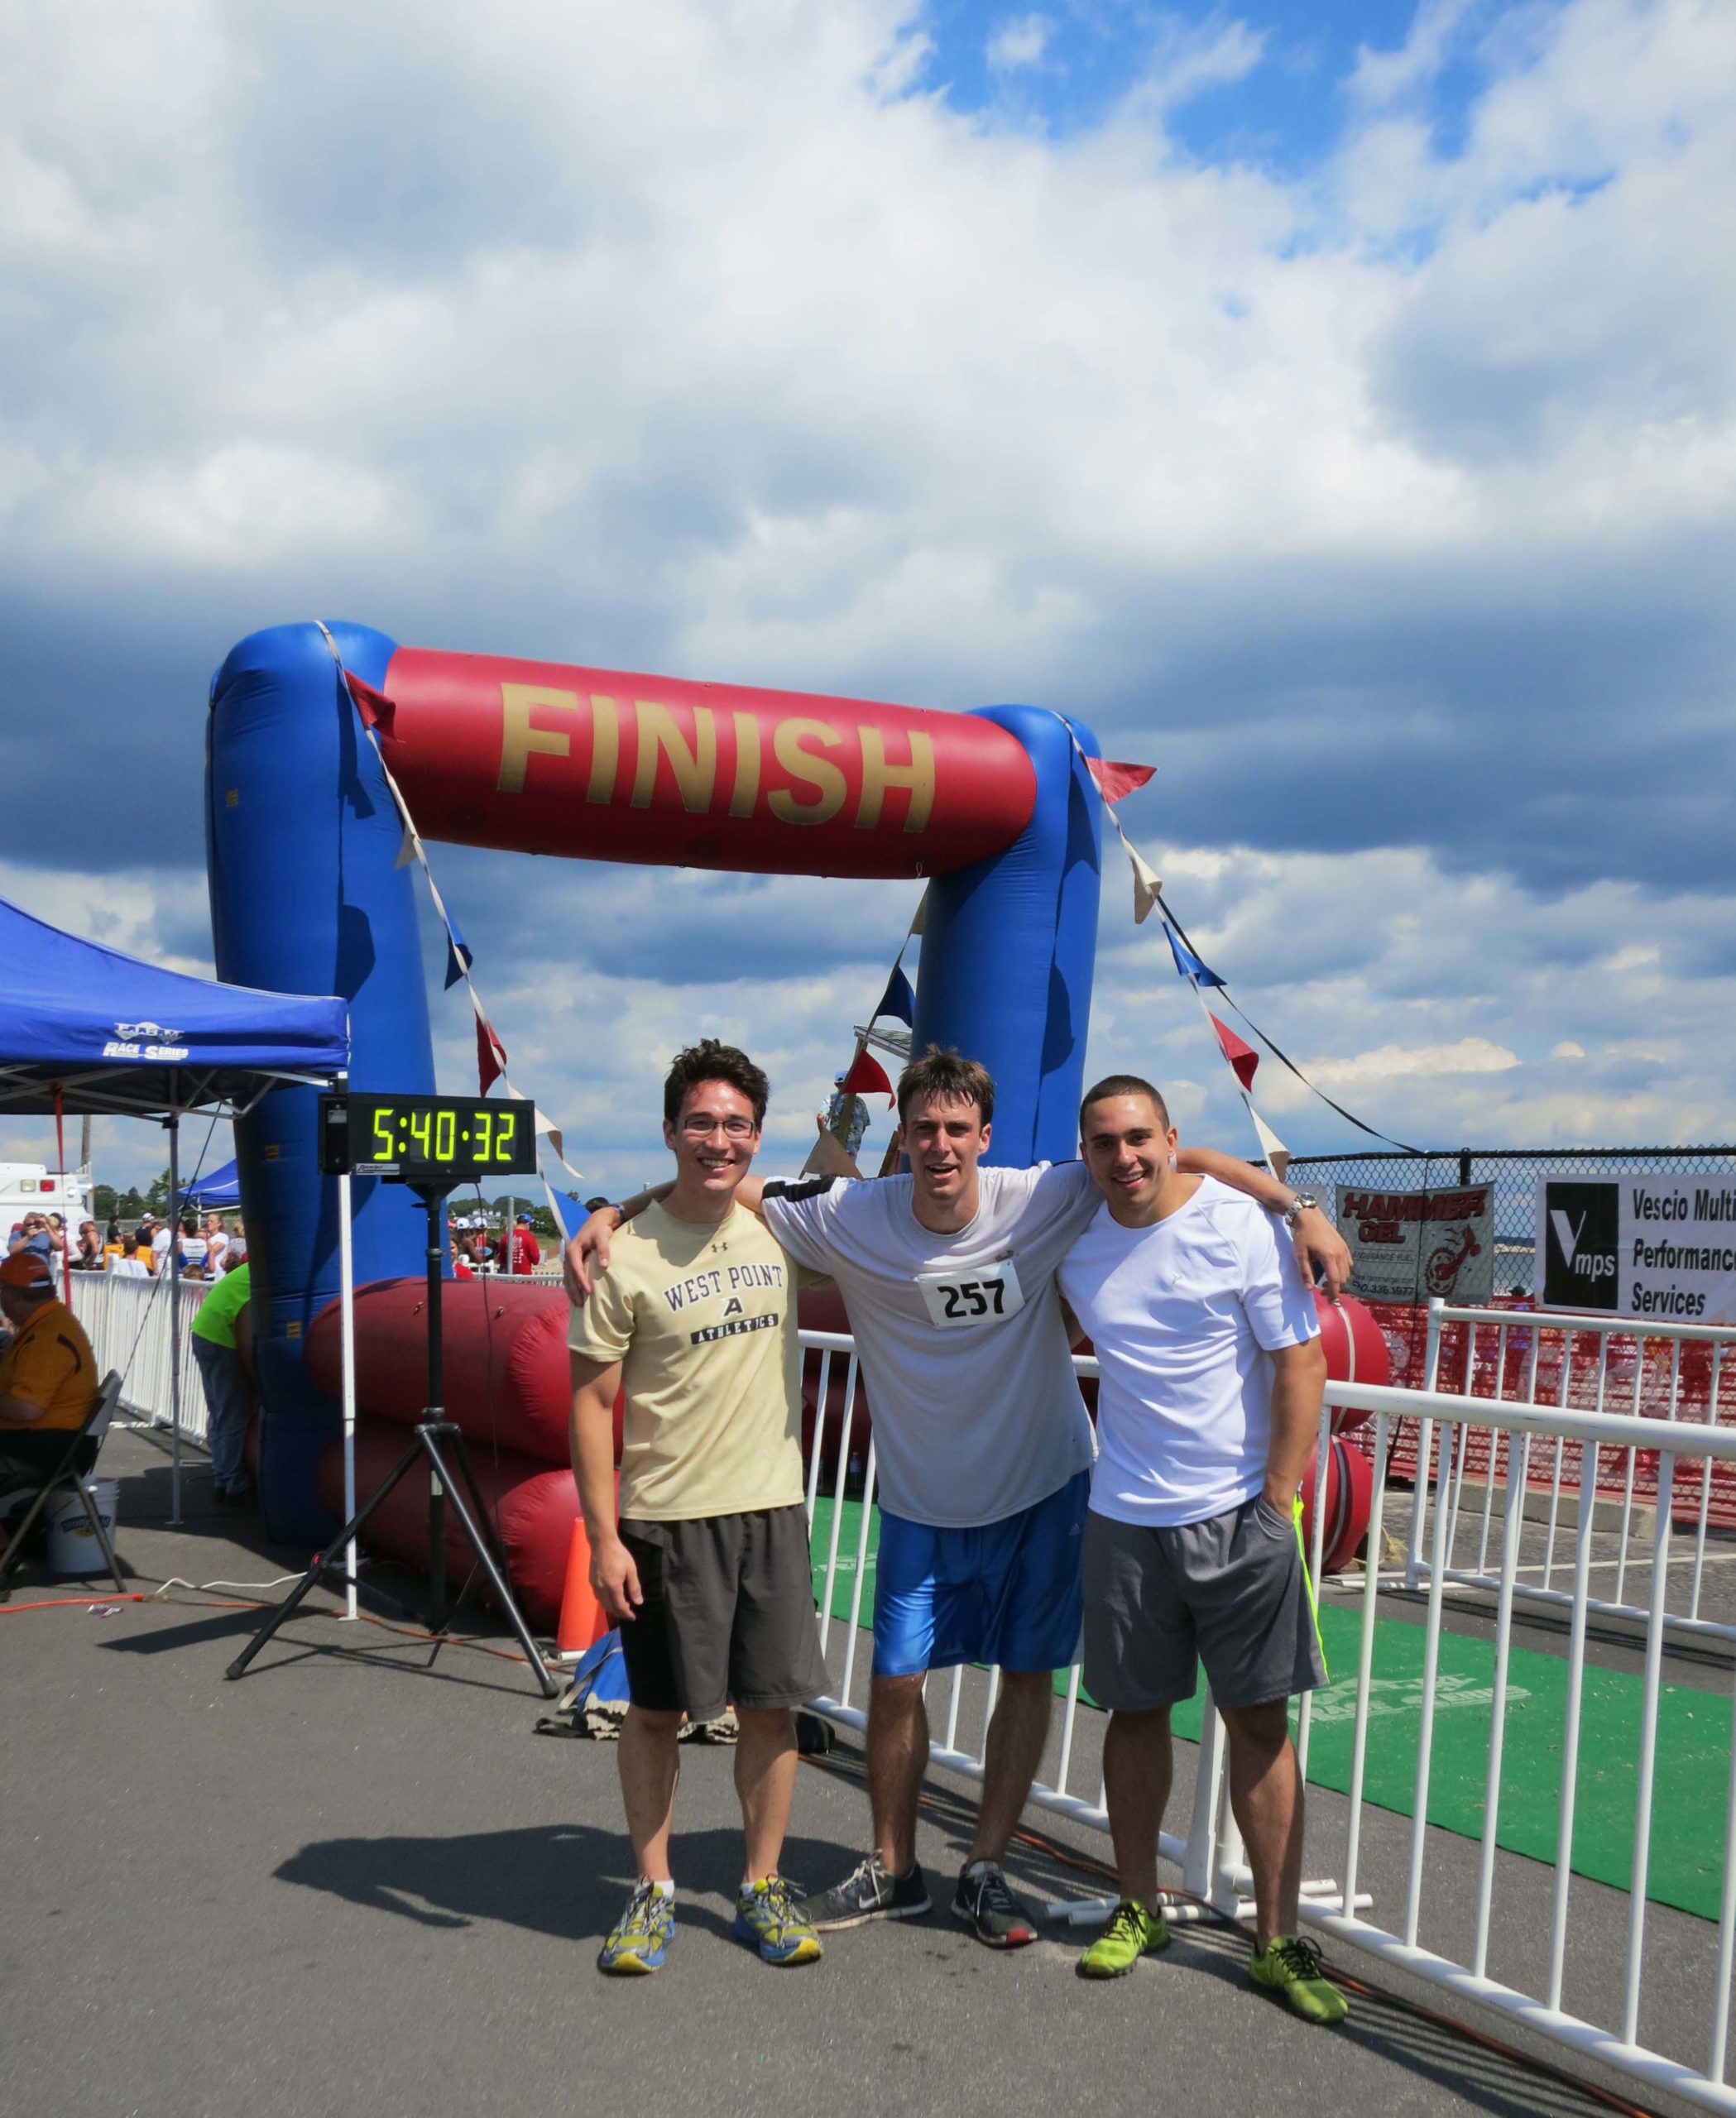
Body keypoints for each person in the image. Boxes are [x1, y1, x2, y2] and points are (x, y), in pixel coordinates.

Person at [568, 1045, 1349, 1950]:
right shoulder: (846, 1213)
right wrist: (610, 1211)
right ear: (900, 1138)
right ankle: (893, 1867)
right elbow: (714, 1177)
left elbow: (1178, 1155)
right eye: (923, 1129)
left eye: (957, 1129)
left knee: (1027, 1676)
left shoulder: (1045, 1194)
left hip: (1043, 1484)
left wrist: (1297, 1206)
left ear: (985, 1137)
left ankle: (984, 1866)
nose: (940, 1146)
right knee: (896, 1681)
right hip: (919, 1498)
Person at [1057, 1076, 1345, 2023]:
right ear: (1084, 1153)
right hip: (1123, 1516)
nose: (1125, 1157)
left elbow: (1300, 1362)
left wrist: (1276, 1501)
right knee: (1133, 1713)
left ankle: (1276, 1938)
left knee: (1258, 1723)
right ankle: (1137, 1905)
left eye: (1139, 1137)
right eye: (1104, 1143)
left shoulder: (1237, 1223)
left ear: (1169, 1136)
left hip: (1238, 1514)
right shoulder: (1076, 1232)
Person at [568, 1040, 829, 1977]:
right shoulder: (620, 1256)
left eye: (737, 1126)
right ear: (670, 1129)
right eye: (701, 1123)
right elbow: (590, 1405)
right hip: (665, 1519)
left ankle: (762, 1883)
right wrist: (604, 1539)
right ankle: (652, 1888)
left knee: (770, 1710)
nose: (719, 1140)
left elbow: (873, 1196)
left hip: (772, 1510)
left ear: (757, 1136)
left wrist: (613, 1201)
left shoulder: (781, 1227)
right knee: (653, 1712)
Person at [0, 1251, 100, 1493]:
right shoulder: (52, 1321)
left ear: (12, 1295)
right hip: (51, 1443)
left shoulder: (47, 1338)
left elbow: (26, 1408)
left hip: (44, 1449)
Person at [190, 1262, 254, 1505]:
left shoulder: (251, 1270)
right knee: (232, 1413)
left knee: (219, 1412)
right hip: (219, 1338)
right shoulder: (269, 1272)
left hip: (205, 1331)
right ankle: (233, 1482)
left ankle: (221, 1475)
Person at [203, 1213, 229, 1277]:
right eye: (208, 1221)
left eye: (211, 1221)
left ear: (219, 1224)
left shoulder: (223, 1237)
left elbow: (211, 1250)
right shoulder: (207, 1237)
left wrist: (205, 1239)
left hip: (217, 1272)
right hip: (205, 1271)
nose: (208, 1223)